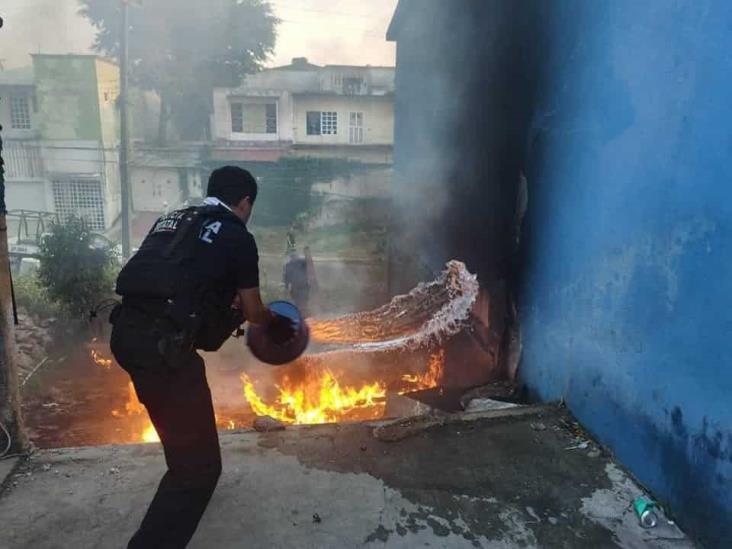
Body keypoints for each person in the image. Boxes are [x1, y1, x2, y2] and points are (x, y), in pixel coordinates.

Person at [109, 166, 293, 548]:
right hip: (165, 353)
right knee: (198, 470)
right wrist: (275, 323)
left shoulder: (172, 220)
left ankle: (182, 462)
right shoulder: (238, 237)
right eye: (250, 206)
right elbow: (254, 309)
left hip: (127, 336)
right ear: (244, 203)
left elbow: (175, 275)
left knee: (183, 447)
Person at [283, 250, 310, 316]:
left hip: (303, 285)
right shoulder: (289, 265)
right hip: (296, 286)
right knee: (299, 301)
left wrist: (286, 286)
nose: (293, 258)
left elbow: (286, 277)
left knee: (302, 301)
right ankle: (300, 314)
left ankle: (303, 314)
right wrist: (286, 286)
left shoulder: (301, 262)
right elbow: (286, 277)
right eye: (292, 257)